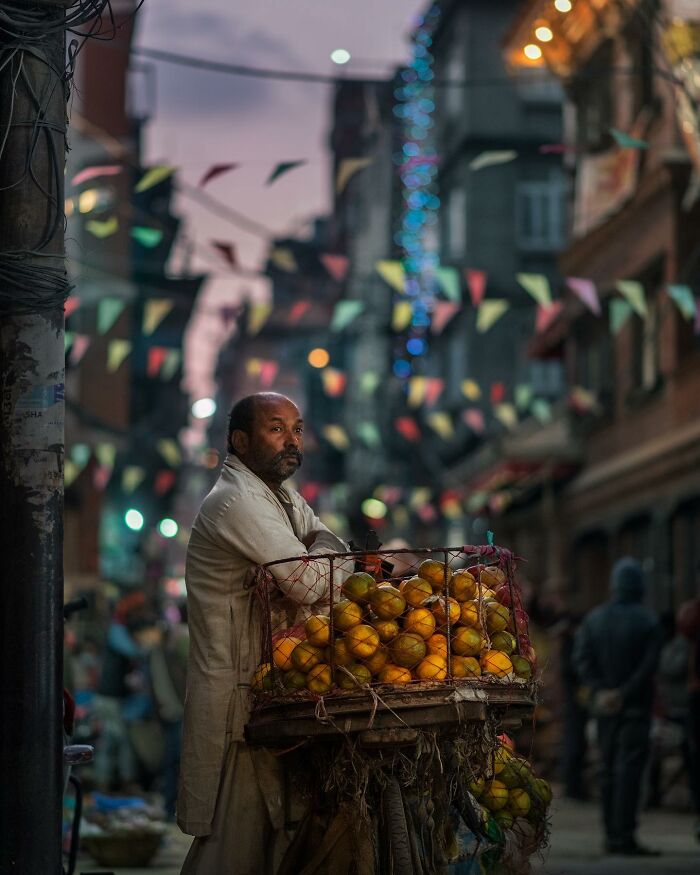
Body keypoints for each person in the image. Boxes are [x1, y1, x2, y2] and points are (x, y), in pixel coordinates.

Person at [178, 393, 350, 875]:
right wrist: (321, 551)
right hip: (238, 695)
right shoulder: (236, 501)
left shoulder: (283, 498)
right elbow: (313, 580)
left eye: (297, 428)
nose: (292, 440)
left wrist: (322, 549)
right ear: (240, 440)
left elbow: (326, 547)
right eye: (276, 429)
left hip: (272, 687)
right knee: (233, 843)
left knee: (275, 840)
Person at [573, 557, 662, 856]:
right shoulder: (648, 621)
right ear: (639, 586)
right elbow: (648, 668)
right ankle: (625, 837)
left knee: (608, 770)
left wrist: (602, 691)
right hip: (634, 707)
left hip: (604, 707)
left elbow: (581, 660)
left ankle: (611, 836)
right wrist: (623, 692)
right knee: (630, 772)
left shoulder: (594, 619)